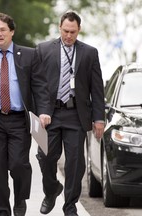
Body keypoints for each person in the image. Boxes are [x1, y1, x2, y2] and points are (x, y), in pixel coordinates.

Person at [0, 12, 51, 216]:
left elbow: (40, 86)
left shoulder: (30, 55)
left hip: (19, 120)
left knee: (19, 164)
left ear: (12, 32)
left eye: (2, 29)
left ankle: (20, 200)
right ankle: (2, 210)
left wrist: (44, 112)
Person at [35, 11, 105, 216]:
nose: (68, 36)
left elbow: (97, 88)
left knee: (75, 164)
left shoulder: (89, 53)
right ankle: (51, 190)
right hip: (50, 114)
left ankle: (70, 206)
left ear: (79, 30)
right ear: (59, 28)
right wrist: (41, 112)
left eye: (73, 32)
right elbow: (37, 85)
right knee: (45, 157)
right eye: (65, 31)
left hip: (76, 114)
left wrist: (99, 117)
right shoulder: (43, 49)